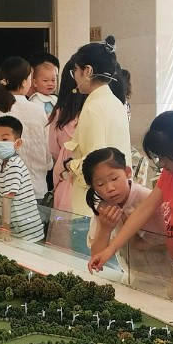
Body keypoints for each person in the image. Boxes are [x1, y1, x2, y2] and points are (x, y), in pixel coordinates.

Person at [88, 109, 173, 299]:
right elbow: (144, 211)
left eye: (164, 156)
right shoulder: (170, 174)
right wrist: (110, 250)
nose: (161, 163)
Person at [65, 37, 131, 246]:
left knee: (88, 262)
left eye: (75, 71)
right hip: (113, 202)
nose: (74, 77)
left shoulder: (94, 107)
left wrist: (70, 166)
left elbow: (96, 162)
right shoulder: (114, 102)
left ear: (87, 71)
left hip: (92, 207)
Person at [84, 146, 167, 277]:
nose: (110, 188)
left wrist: (138, 243)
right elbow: (96, 256)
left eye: (114, 179)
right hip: (132, 273)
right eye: (100, 184)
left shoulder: (147, 199)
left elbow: (171, 243)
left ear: (127, 172)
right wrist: (105, 229)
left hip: (164, 272)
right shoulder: (104, 207)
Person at [0, 56, 50, 198]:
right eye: (30, 78)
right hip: (36, 189)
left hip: (4, 191)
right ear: (24, 82)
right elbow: (47, 150)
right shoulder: (38, 110)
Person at [45, 57, 87, 246]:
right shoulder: (94, 110)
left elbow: (53, 150)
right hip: (92, 184)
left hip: (65, 179)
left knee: (63, 243)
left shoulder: (59, 114)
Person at [0, 115, 45, 242]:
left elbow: (7, 198)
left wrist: (4, 228)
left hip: (28, 232)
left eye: (5, 139)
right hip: (15, 228)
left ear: (18, 143)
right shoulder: (1, 163)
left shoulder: (14, 165)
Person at [28, 52, 60, 116]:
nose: (50, 83)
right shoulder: (30, 101)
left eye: (53, 79)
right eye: (45, 80)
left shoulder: (56, 99)